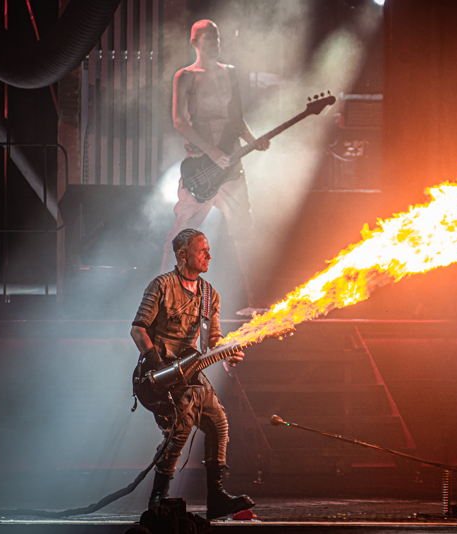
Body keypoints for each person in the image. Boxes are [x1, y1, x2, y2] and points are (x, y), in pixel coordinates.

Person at [132, 228, 254, 519]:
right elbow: (138, 329)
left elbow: (213, 342)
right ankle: (158, 498)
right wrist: (158, 366)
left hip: (191, 374)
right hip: (159, 375)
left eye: (209, 250)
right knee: (181, 428)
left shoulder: (210, 294)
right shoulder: (161, 285)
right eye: (202, 250)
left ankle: (217, 497)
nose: (209, 255)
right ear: (182, 255)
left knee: (218, 423)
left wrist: (229, 353)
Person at [161, 19, 269, 310]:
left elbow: (237, 117)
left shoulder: (230, 74)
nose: (213, 42)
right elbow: (179, 121)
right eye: (207, 37)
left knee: (244, 229)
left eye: (216, 37)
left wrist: (252, 139)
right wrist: (210, 152)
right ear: (194, 41)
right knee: (183, 233)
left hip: (231, 164)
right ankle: (167, 299)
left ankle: (254, 303)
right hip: (200, 166)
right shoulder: (184, 76)